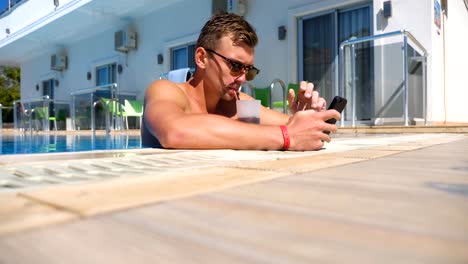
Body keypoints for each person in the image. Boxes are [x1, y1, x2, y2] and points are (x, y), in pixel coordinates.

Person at [142, 12, 340, 151]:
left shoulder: (238, 105)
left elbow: (291, 126)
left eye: (249, 70)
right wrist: (286, 137)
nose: (243, 78)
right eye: (235, 65)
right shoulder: (165, 90)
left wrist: (307, 117)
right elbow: (175, 132)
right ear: (202, 58)